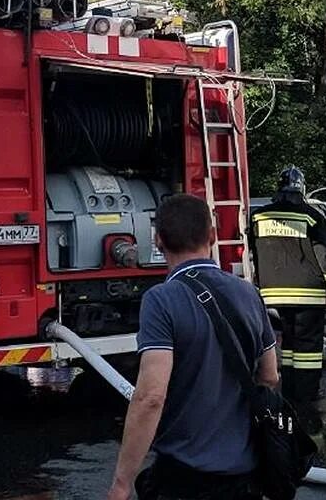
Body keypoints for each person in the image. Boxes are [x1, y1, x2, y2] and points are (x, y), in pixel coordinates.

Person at [108, 194, 278, 500]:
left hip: (184, 477)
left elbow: (150, 398)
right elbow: (269, 376)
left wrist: (122, 483)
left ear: (159, 241)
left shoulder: (161, 300)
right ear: (212, 236)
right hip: (243, 475)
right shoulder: (248, 293)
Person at [248, 165, 326, 404]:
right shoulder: (312, 216)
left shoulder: (258, 217)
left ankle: (288, 390)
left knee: (287, 345)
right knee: (307, 350)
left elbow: (254, 254)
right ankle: (307, 396)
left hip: (272, 294)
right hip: (308, 293)